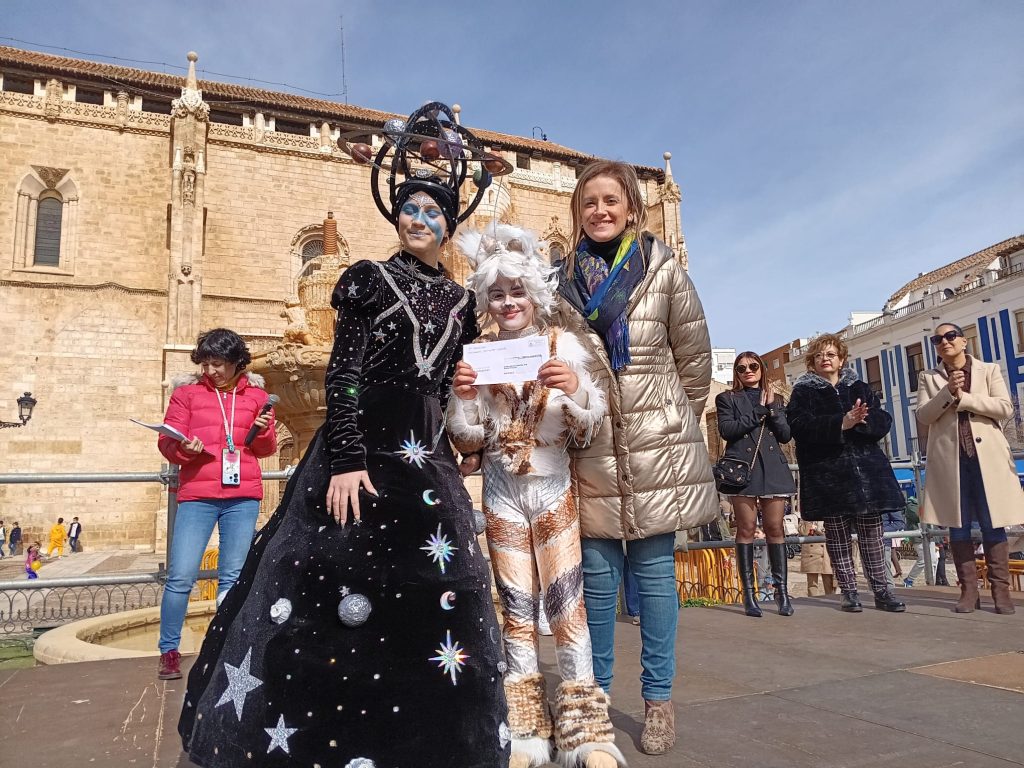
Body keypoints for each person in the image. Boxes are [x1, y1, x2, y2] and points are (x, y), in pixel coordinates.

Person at [178, 102, 509, 768]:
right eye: (412, 209)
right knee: (331, 600)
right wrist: (349, 460)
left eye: (434, 213)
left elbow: (449, 386)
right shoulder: (366, 281)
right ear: (398, 216)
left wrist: (469, 429)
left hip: (428, 466)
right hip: (360, 457)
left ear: (449, 224)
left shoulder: (460, 304)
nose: (421, 220)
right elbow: (345, 372)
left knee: (436, 602)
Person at [554, 160, 718, 756]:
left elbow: (694, 359)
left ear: (631, 209)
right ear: (578, 212)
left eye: (610, 201)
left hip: (657, 443)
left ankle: (658, 702)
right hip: (590, 445)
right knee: (594, 585)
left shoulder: (663, 271)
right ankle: (594, 706)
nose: (600, 210)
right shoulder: (558, 284)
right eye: (589, 202)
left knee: (653, 581)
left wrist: (674, 415)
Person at [447, 224, 622, 768]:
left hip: (552, 487)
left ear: (535, 295)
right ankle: (525, 730)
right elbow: (470, 438)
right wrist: (463, 400)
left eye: (516, 292)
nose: (507, 303)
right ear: (486, 300)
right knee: (516, 609)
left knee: (569, 608)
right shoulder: (478, 354)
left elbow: (589, 429)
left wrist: (575, 389)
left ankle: (586, 735)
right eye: (496, 294)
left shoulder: (562, 347)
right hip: (501, 490)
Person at [155, 328, 278, 680]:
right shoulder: (186, 395)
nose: (211, 371)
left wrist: (264, 429)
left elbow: (264, 449)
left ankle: (225, 645)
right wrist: (182, 450)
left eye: (219, 364)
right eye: (206, 364)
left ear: (237, 363)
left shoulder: (256, 397)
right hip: (198, 496)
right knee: (181, 575)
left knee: (233, 576)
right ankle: (169, 651)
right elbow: (167, 442)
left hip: (242, 497)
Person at [786, 333, 906, 613]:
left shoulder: (860, 387)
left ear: (841, 359)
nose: (824, 359)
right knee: (837, 539)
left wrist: (861, 422)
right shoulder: (803, 393)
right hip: (828, 475)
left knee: (872, 538)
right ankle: (849, 593)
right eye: (819, 356)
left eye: (830, 354)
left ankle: (882, 591)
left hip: (866, 475)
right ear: (811, 363)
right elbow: (799, 426)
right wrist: (840, 423)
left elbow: (882, 420)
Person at [916, 322, 1024, 614]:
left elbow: (1005, 407)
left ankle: (1001, 592)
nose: (944, 342)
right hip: (951, 462)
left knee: (993, 523)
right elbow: (924, 415)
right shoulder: (929, 377)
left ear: (964, 341)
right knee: (958, 526)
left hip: (987, 459)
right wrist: (948, 393)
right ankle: (968, 592)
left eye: (950, 336)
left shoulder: (989, 370)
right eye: (937, 339)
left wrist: (966, 399)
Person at [715, 351, 797, 617]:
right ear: (736, 373)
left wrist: (773, 408)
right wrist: (759, 411)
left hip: (772, 469)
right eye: (741, 368)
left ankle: (781, 593)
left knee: (775, 528)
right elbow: (727, 430)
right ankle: (749, 595)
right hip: (741, 471)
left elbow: (785, 435)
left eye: (753, 366)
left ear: (762, 369)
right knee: (746, 528)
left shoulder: (778, 399)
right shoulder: (726, 398)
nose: (748, 371)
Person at [901, 495, 937, 588]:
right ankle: (909, 579)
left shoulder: (928, 503)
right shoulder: (910, 505)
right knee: (923, 560)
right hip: (918, 537)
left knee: (933, 560)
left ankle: (931, 580)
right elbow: (919, 516)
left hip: (930, 535)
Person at [799, 520, 835, 596]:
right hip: (810, 552)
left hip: (826, 551)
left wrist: (817, 529)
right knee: (812, 584)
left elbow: (830, 533)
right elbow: (804, 532)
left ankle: (831, 601)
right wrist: (808, 522)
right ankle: (813, 601)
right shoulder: (805, 517)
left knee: (829, 582)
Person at [880, 508, 906, 588]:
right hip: (866, 542)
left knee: (886, 575)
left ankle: (891, 594)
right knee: (870, 576)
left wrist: (880, 531)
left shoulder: (889, 503)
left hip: (884, 542)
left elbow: (899, 523)